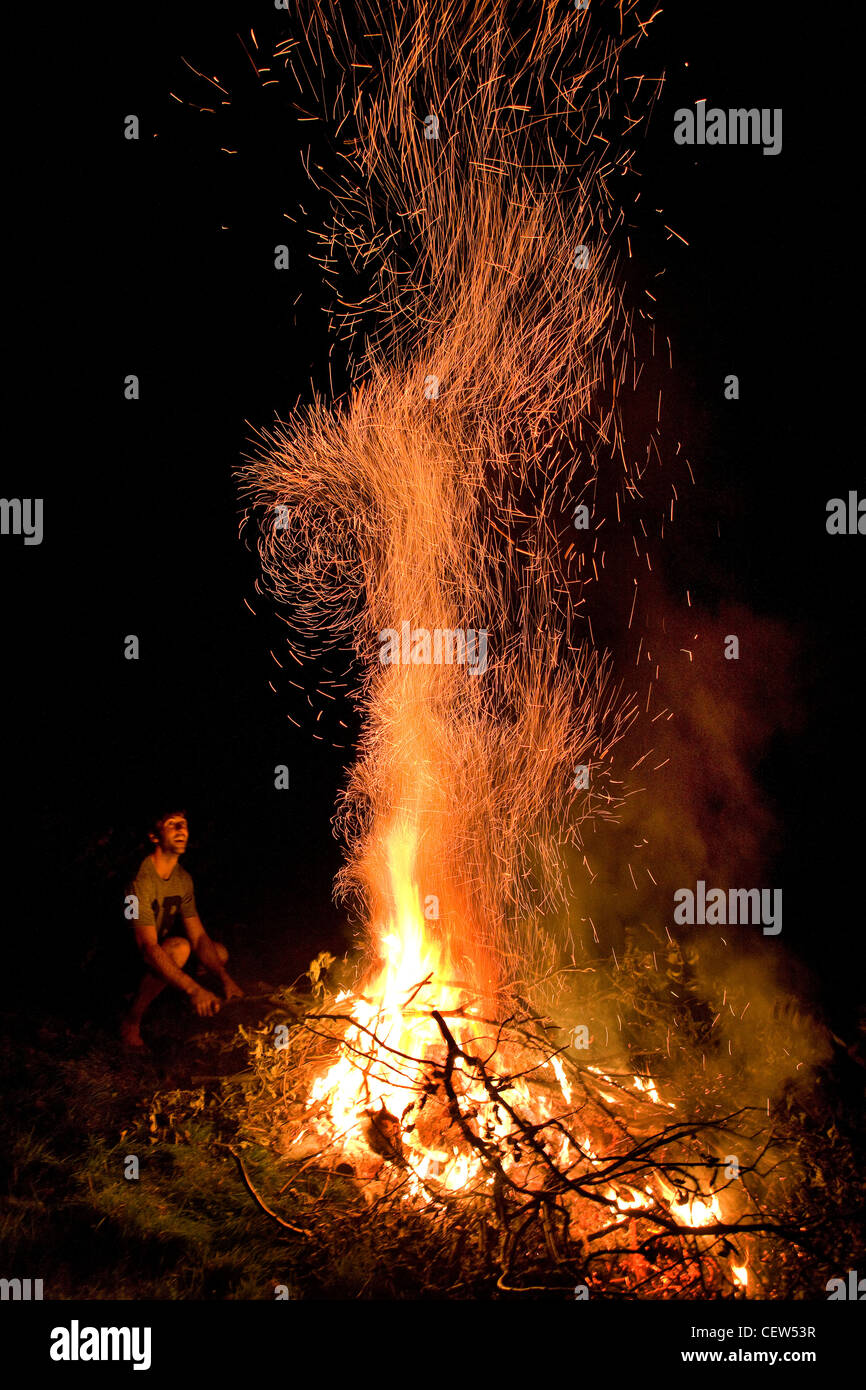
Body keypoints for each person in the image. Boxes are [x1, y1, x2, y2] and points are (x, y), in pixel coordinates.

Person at [120, 808, 243, 1050]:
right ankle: (131, 1019)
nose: (181, 830)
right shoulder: (138, 880)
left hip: (156, 950)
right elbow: (147, 948)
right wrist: (194, 989)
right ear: (154, 837)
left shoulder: (182, 879)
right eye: (171, 824)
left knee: (218, 954)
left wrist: (225, 978)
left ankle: (176, 1000)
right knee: (179, 948)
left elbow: (198, 937)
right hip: (125, 957)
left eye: (183, 824)